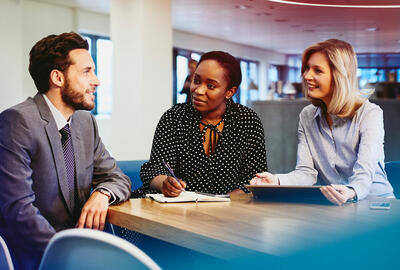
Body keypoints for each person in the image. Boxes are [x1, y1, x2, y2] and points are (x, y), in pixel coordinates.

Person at [0, 32, 132, 270]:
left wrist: (102, 193)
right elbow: (18, 211)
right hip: (36, 257)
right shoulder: (17, 121)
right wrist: (69, 257)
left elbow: (117, 178)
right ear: (58, 78)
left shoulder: (85, 122)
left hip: (83, 250)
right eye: (87, 71)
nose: (97, 81)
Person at [250, 39, 394, 205]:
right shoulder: (307, 116)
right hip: (335, 205)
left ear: (339, 76)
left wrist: (351, 191)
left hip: (376, 204)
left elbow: (364, 173)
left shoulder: (370, 114)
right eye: (307, 69)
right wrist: (276, 181)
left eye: (317, 70)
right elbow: (306, 173)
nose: (307, 76)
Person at [141, 51, 267, 197]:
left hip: (230, 210)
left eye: (211, 86)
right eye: (197, 81)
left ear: (230, 92)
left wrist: (226, 202)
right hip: (177, 208)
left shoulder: (247, 120)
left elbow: (255, 178)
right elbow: (154, 170)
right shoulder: (174, 117)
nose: (198, 90)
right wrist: (165, 183)